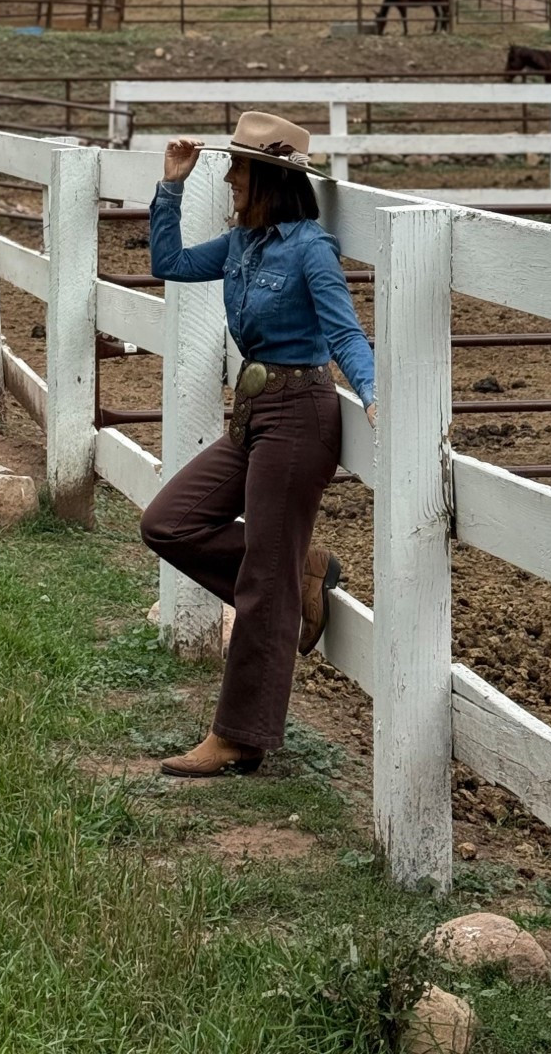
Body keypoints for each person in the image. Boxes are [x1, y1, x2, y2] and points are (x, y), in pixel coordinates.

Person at [139, 110, 376, 778]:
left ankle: (239, 736)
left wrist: (375, 390)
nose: (230, 178)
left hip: (300, 414)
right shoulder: (241, 245)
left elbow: (345, 333)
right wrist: (172, 188)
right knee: (169, 523)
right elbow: (170, 263)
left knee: (263, 581)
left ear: (267, 177)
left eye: (237, 168)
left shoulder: (309, 249)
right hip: (252, 411)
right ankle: (296, 570)